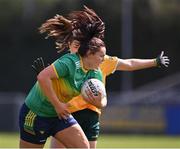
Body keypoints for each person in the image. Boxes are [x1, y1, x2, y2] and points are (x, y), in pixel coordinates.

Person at [32, 6, 170, 149]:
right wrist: (43, 77)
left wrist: (154, 62)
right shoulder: (65, 64)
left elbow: (129, 63)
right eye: (75, 45)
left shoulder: (101, 60)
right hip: (68, 113)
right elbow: (48, 82)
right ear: (69, 45)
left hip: (91, 115)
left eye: (80, 45)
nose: (77, 50)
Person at [19, 6, 107, 148]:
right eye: (101, 56)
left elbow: (102, 99)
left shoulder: (94, 73)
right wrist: (58, 105)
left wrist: (100, 102)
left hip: (59, 116)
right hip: (36, 113)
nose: (104, 59)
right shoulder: (70, 62)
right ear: (90, 53)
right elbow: (42, 77)